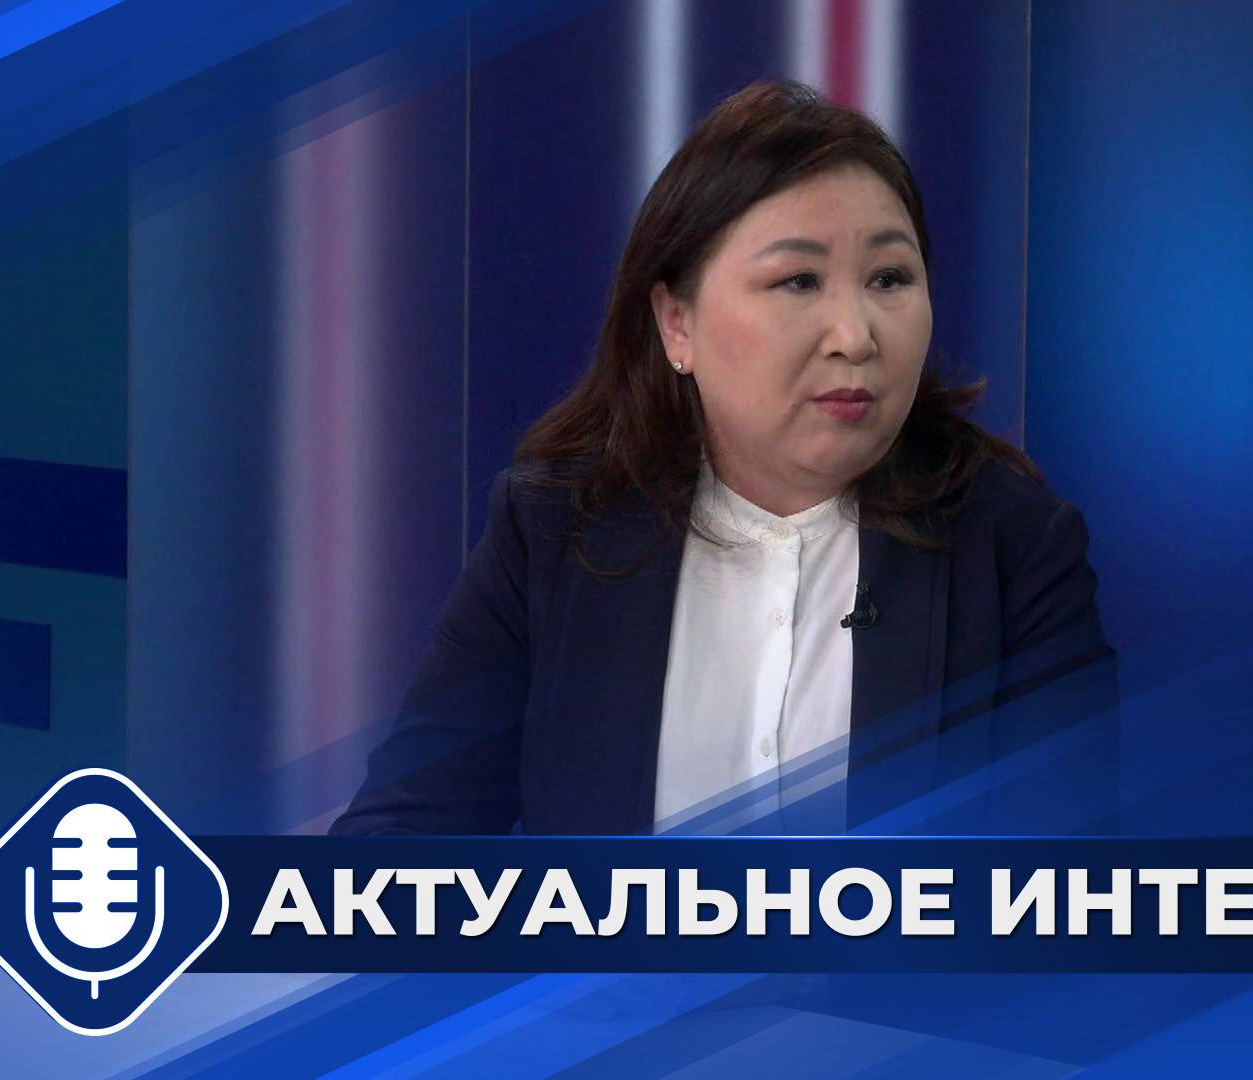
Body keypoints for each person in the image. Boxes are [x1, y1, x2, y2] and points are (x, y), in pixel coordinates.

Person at [331, 80, 1113, 838]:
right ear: (678, 323)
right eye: (798, 280)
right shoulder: (555, 533)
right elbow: (395, 845)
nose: (855, 335)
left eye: (889, 279)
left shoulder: (1014, 550)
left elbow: (1061, 893)